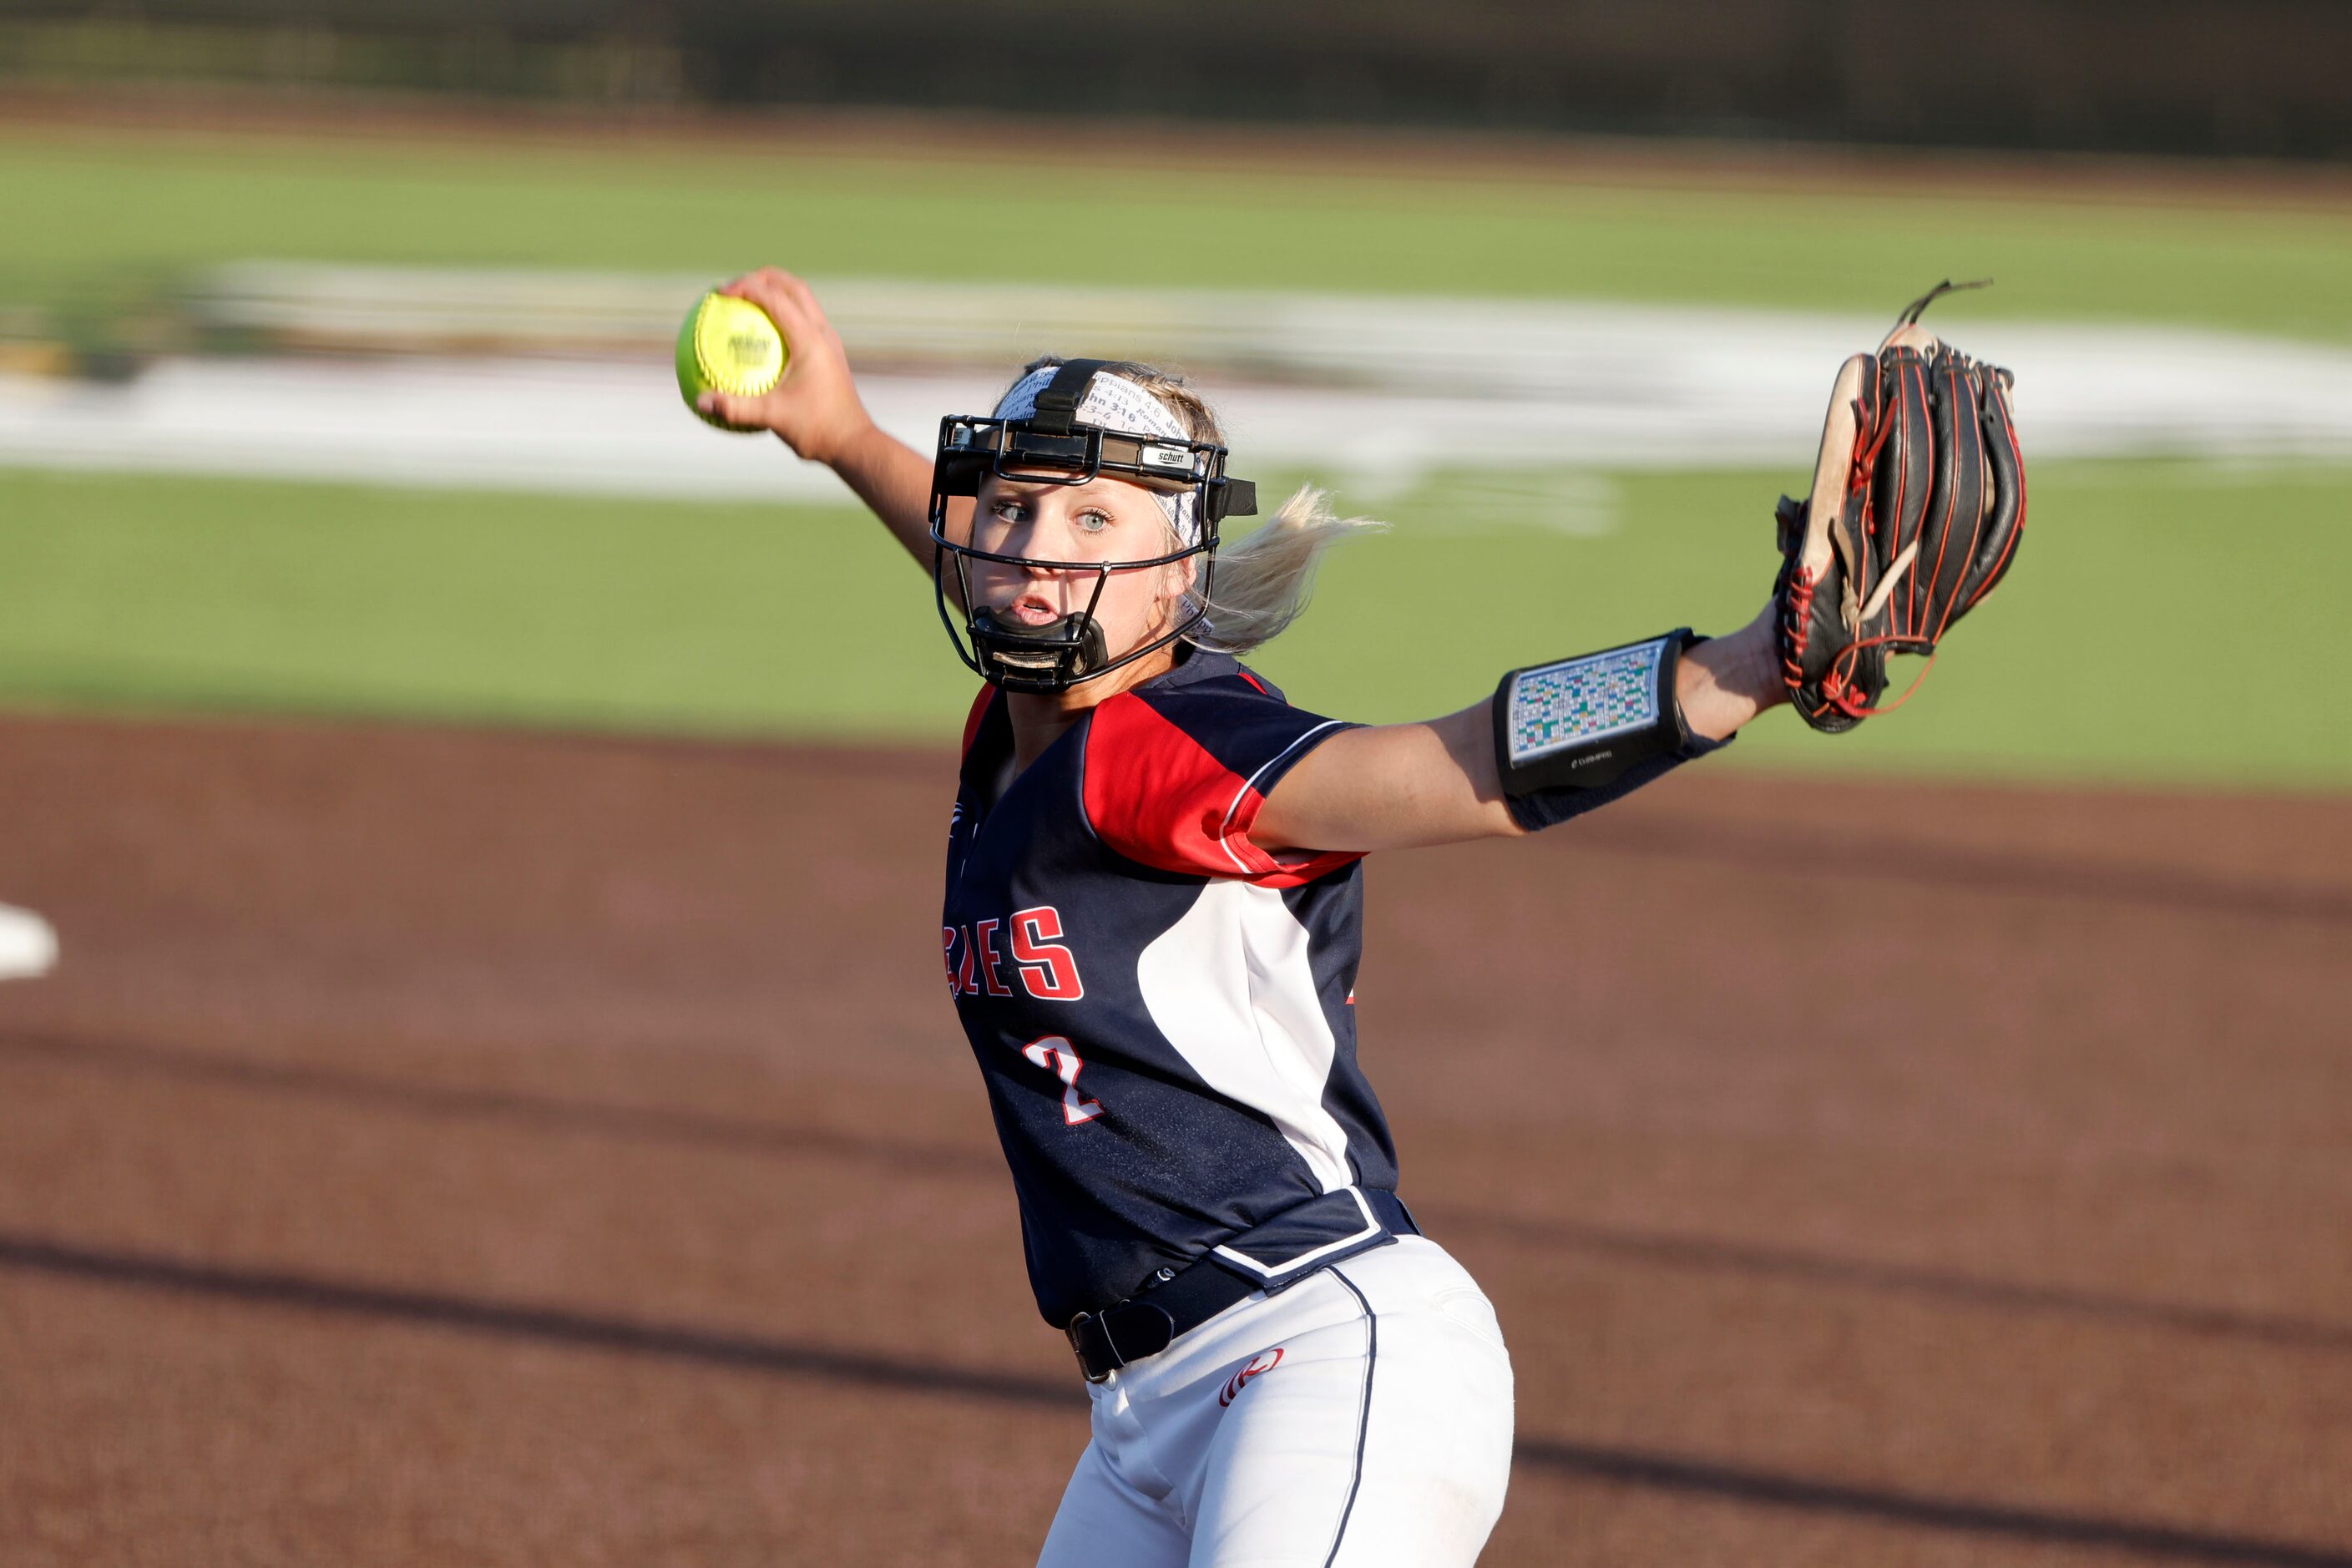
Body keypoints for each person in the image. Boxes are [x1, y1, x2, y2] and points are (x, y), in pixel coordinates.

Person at [696, 269, 1789, 1568]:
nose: (1037, 548)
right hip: (1141, 1415)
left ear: (1176, 574)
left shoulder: (1166, 745)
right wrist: (841, 435)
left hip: (1317, 1351)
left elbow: (1466, 765)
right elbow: (1023, 582)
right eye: (1012, 506)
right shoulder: (1018, 724)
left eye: (1094, 516)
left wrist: (1753, 663)